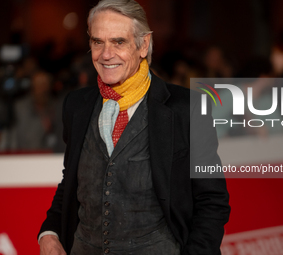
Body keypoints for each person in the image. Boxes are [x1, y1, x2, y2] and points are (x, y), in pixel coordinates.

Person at [38, 0, 230, 254]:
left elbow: (212, 200)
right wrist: (49, 233)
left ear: (143, 45)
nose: (106, 54)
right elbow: (72, 181)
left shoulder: (187, 108)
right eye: (98, 42)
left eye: (119, 42)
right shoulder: (76, 106)